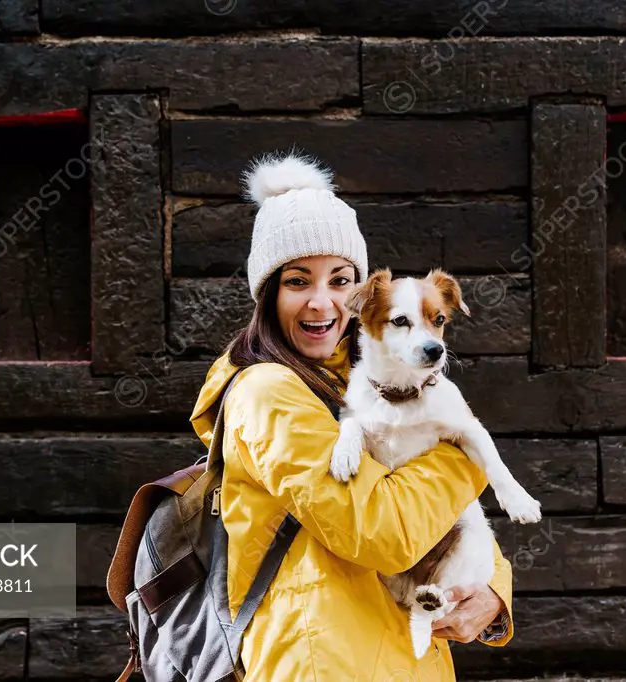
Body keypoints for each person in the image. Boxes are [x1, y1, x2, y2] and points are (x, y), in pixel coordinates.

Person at [189, 152, 513, 681]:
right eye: (298, 281)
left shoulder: (368, 382)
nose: (322, 303)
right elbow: (383, 531)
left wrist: (493, 592)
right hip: (323, 663)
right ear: (267, 294)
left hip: (397, 657)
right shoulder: (268, 392)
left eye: (340, 281)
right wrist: (468, 451)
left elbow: (446, 523)